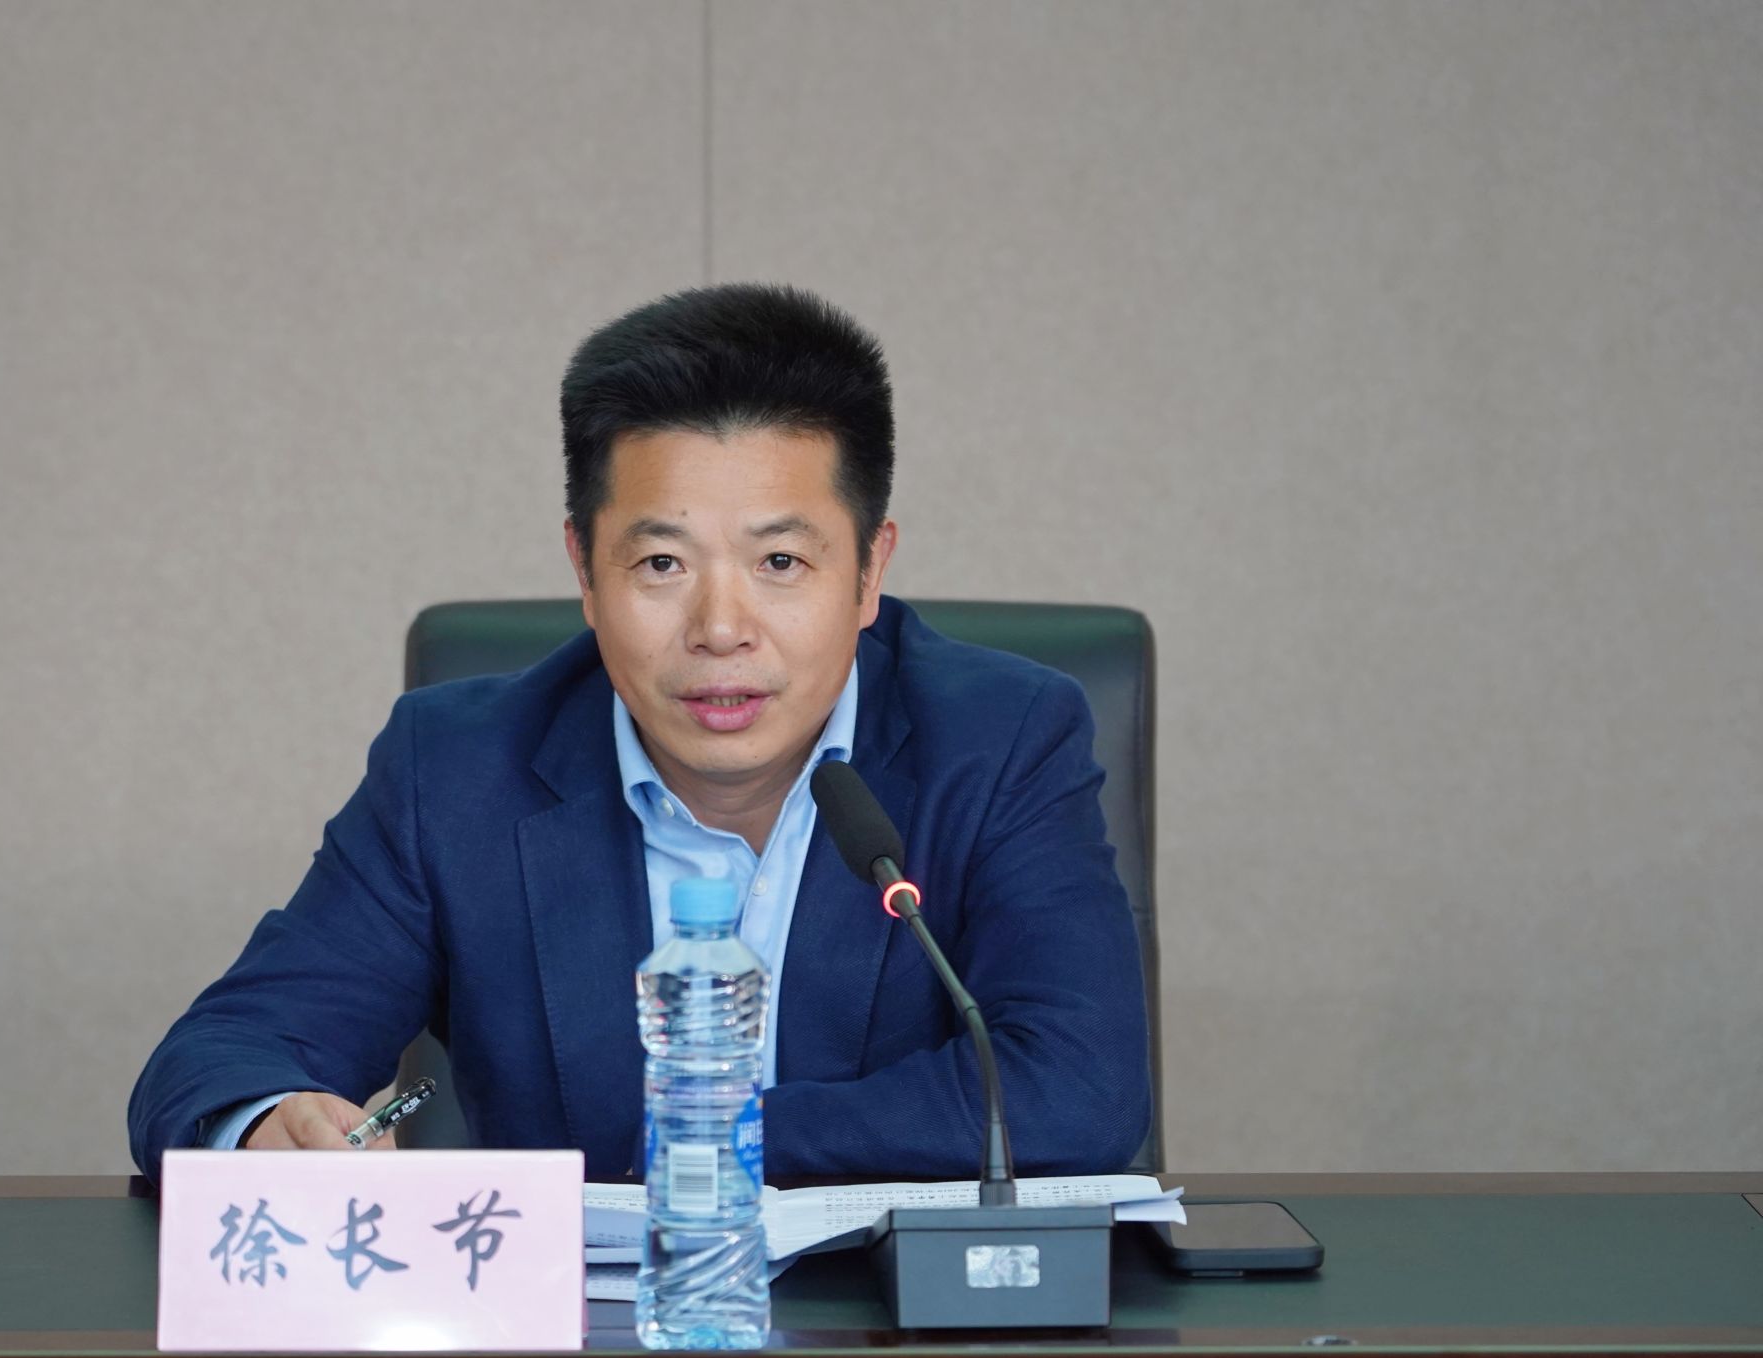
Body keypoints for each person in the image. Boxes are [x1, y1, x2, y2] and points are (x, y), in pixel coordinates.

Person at [128, 284, 1149, 1185]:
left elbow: (1078, 1088)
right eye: (662, 564)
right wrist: (268, 1120)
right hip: (582, 1338)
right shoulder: (456, 770)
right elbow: (223, 1056)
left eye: (780, 563)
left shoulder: (999, 741)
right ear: (584, 569)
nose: (720, 628)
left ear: (870, 569)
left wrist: (722, 1140)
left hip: (897, 1332)